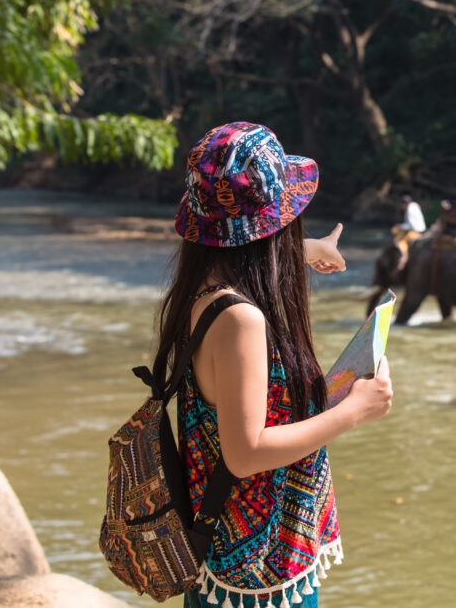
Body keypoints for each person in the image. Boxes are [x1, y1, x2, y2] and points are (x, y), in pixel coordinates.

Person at [168, 122, 394, 608]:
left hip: (233, 565)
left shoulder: (203, 288)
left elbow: (246, 258)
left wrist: (305, 251)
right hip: (256, 580)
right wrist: (355, 410)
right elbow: (245, 454)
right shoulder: (242, 320)